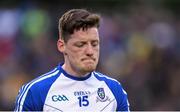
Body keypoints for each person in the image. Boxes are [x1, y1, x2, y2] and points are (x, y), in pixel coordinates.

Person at [14, 9, 130, 111]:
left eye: (94, 44)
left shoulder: (114, 90)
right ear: (62, 46)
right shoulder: (35, 92)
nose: (90, 51)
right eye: (80, 44)